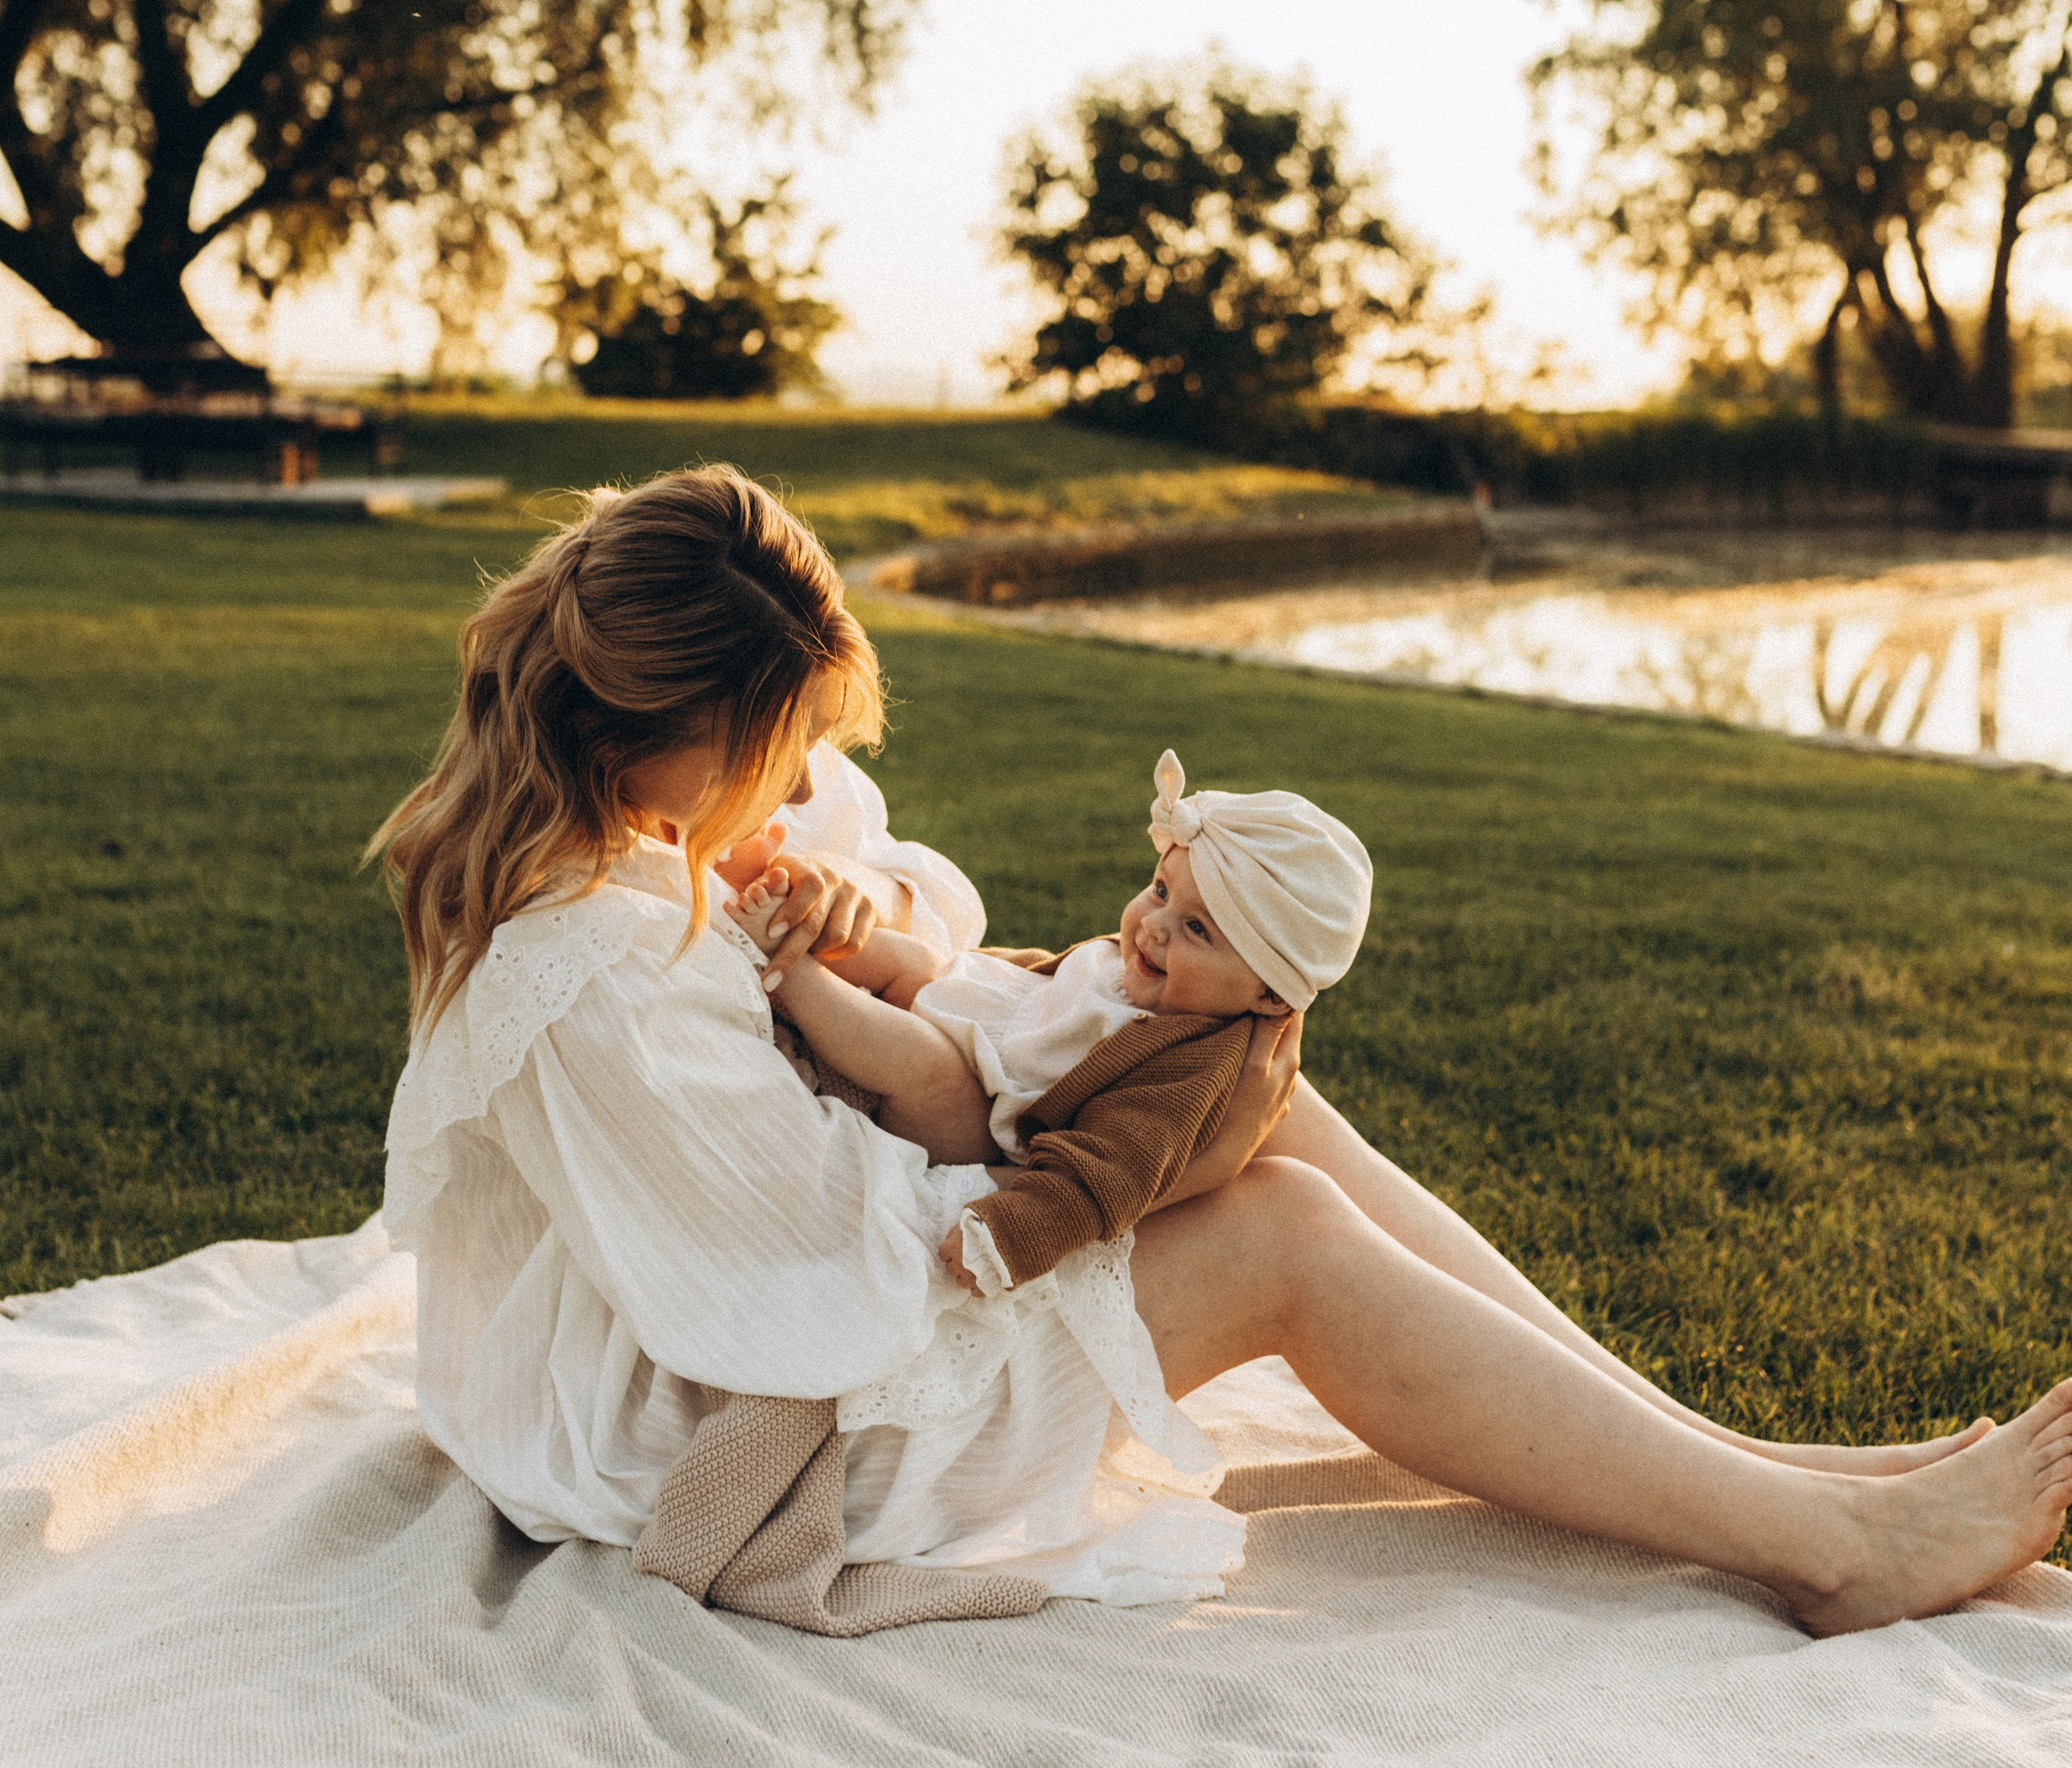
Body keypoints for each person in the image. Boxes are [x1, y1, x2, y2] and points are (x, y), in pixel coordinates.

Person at [375, 464, 2072, 1637]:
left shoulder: (669, 809)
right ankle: (1831, 1550)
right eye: (779, 748)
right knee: (1278, 1235)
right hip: (751, 1419)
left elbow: (918, 894)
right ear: (669, 730)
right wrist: (1033, 1117)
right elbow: (806, 1274)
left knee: (1256, 1084)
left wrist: (858, 922)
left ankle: (1719, 1467)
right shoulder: (587, 961)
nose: (795, 783)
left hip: (811, 1294)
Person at [746, 752, 1372, 1301]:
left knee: (919, 1062)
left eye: (1198, 930)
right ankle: (783, 947)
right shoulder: (1141, 972)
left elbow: (1106, 1177)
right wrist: (969, 974)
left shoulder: (1192, 1066)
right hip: (985, 1044)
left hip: (982, 1120)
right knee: (914, 961)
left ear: (1268, 992)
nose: (1154, 926)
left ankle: (790, 979)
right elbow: (1038, 989)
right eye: (1160, 891)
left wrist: (1010, 1237)